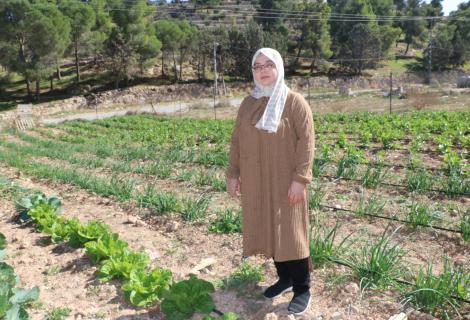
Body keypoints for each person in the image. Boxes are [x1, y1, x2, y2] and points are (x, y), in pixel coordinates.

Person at [226, 47, 315, 315]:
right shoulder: (248, 104)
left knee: (291, 231)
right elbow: (237, 141)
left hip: (287, 181)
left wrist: (300, 179)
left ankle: (302, 287)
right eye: (257, 66)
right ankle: (285, 278)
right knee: (268, 226)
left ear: (278, 68)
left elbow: (307, 143)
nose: (263, 70)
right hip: (257, 180)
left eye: (269, 65)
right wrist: (233, 173)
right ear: (253, 72)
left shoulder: (294, 101)